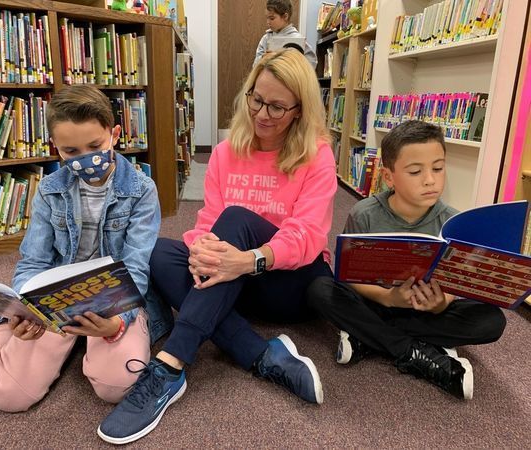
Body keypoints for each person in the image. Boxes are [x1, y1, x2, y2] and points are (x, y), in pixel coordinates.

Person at [98, 48, 337, 444]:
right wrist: (199, 251)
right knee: (158, 251)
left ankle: (169, 367)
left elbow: (308, 235)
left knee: (238, 219)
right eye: (256, 99)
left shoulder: (317, 155)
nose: (262, 114)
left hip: (290, 282)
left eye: (277, 107)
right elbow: (207, 222)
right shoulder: (227, 153)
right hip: (233, 283)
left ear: (300, 109)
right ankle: (262, 356)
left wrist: (248, 261)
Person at [0, 85, 160, 412]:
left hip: (112, 298)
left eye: (95, 146)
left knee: (117, 385)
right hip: (56, 297)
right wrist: (22, 312)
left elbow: (135, 267)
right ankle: (3, 331)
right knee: (5, 394)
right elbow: (33, 262)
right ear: (56, 148)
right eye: (71, 151)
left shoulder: (141, 190)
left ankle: (118, 332)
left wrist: (119, 322)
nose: (85, 159)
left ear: (115, 134)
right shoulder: (50, 190)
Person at [307, 120, 507, 400]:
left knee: (492, 320)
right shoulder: (364, 214)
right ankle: (413, 350)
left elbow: (455, 281)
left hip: (425, 311)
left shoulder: (453, 221)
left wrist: (442, 302)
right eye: (415, 171)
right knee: (320, 289)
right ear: (388, 177)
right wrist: (389, 298)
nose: (430, 179)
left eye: (438, 168)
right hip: (377, 302)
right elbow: (347, 277)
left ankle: (366, 337)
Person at [253, 0, 317, 69]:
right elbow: (255, 66)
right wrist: (263, 58)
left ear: (285, 17)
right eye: (267, 18)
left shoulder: (297, 39)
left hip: (290, 78)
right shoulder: (265, 39)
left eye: (272, 18)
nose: (268, 22)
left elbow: (312, 63)